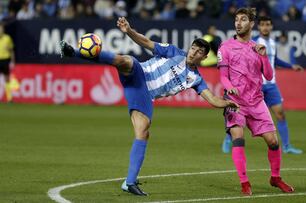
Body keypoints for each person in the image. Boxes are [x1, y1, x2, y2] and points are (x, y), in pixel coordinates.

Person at [59, 17, 239, 196]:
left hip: (143, 94)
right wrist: (128, 30)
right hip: (139, 75)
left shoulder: (197, 79)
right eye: (193, 48)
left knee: (143, 132)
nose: (194, 52)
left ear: (205, 56)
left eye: (199, 51)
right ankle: (73, 52)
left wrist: (227, 103)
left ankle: (129, 182)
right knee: (127, 61)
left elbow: (212, 99)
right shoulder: (173, 52)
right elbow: (146, 42)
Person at [217, 8, 294, 196]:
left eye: (243, 20)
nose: (238, 23)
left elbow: (268, 75)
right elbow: (223, 77)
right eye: (236, 20)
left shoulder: (256, 47)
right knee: (238, 138)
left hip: (256, 101)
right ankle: (244, 182)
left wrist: (264, 56)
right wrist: (230, 88)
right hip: (235, 101)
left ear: (251, 24)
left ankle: (275, 178)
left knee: (273, 141)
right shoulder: (225, 47)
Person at [222, 16, 304, 155]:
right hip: (255, 87)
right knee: (242, 117)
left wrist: (291, 66)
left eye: (268, 24)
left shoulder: (272, 43)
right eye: (263, 25)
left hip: (271, 85)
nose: (265, 27)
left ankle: (286, 146)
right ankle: (229, 138)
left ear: (271, 27)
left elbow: (274, 60)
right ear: (258, 27)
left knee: (280, 115)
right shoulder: (252, 43)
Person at [0, 23, 15, 103]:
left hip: (5, 60)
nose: (0, 31)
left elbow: (11, 50)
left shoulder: (7, 38)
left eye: (1, 29)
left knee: (7, 80)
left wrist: (12, 61)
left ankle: (9, 98)